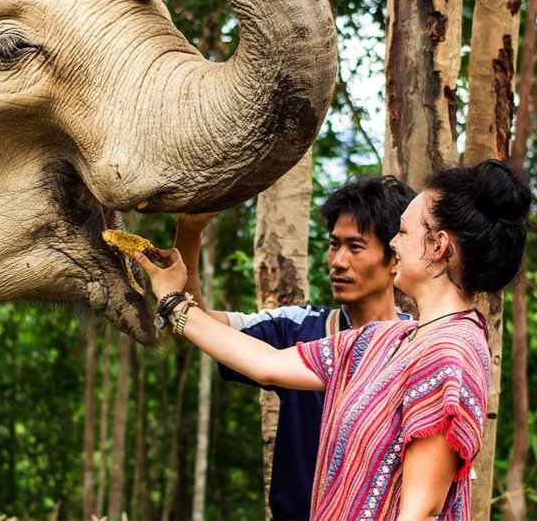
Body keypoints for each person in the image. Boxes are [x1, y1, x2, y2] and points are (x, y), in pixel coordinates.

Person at [135, 160, 531, 520]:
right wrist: (173, 301)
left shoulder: (449, 353)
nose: (394, 242)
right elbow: (266, 362)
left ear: (439, 246)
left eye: (404, 232)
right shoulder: (385, 340)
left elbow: (421, 511)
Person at [173, 176, 415, 520]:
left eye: (356, 247)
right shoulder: (299, 328)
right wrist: (189, 233)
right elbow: (196, 324)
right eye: (334, 245)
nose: (338, 261)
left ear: (394, 258)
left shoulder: (419, 347)